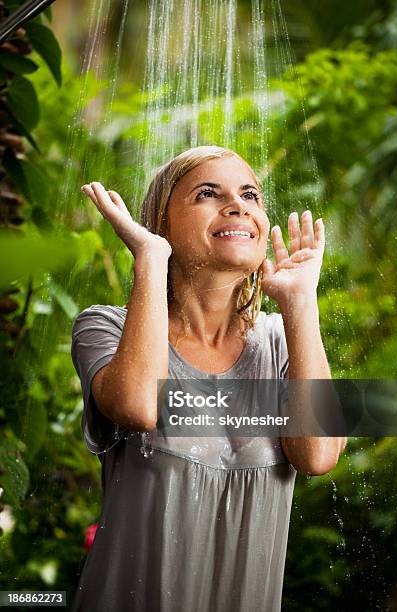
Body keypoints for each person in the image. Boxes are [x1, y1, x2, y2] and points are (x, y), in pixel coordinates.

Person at [71, 145, 346, 612]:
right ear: (161, 222)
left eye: (250, 195)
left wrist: (300, 304)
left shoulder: (283, 342)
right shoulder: (107, 329)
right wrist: (151, 258)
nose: (237, 205)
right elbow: (139, 407)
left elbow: (317, 455)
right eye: (206, 193)